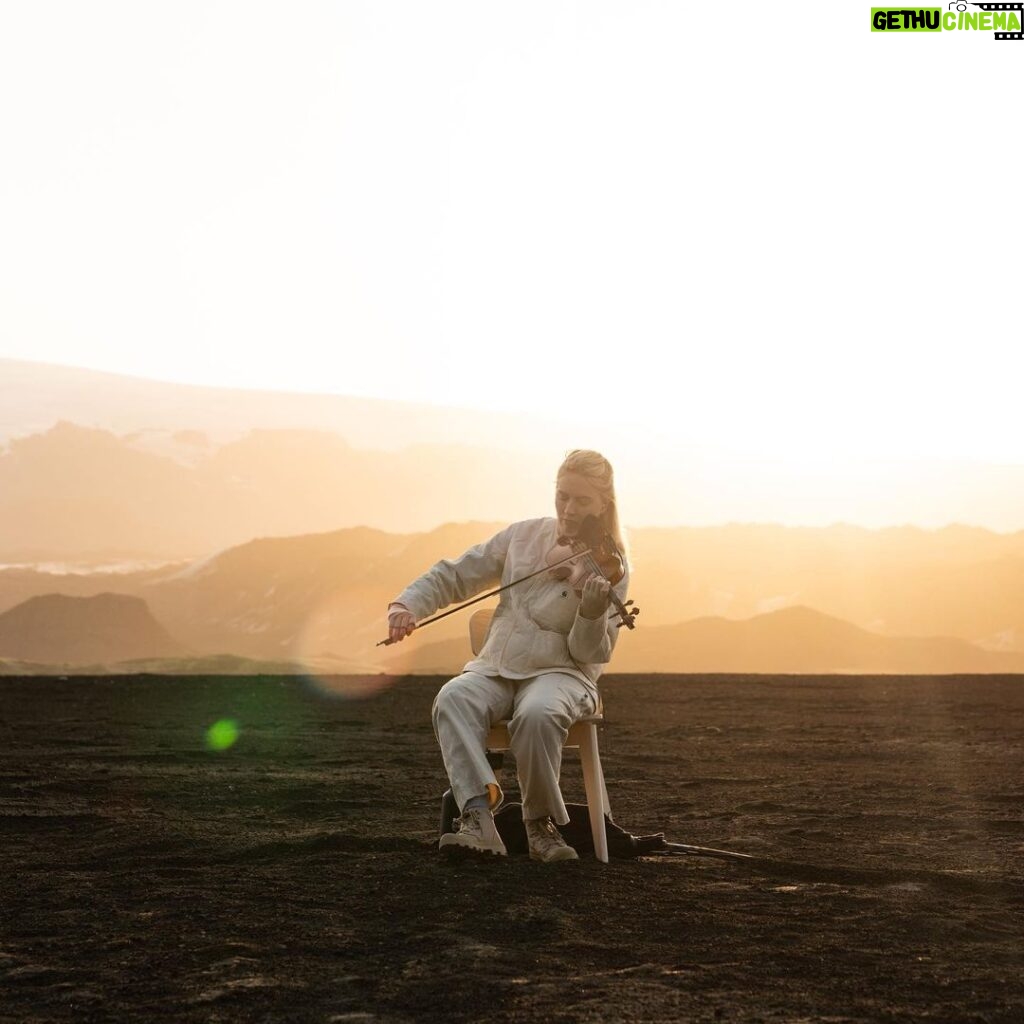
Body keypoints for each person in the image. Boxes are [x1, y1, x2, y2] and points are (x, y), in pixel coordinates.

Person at [387, 449, 630, 863]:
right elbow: (458, 573)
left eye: (582, 500)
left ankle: (539, 825)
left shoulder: (609, 568)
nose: (569, 509)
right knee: (453, 698)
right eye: (562, 496)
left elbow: (591, 652)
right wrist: (407, 605)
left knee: (537, 714)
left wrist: (590, 611)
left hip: (563, 673)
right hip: (497, 665)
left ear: (604, 504)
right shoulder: (523, 536)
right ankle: (479, 818)